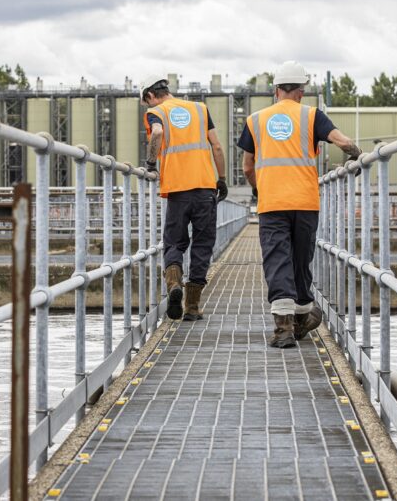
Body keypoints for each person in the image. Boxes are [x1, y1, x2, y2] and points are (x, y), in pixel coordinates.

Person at [238, 61, 362, 348]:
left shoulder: (255, 120)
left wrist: (260, 189)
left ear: (275, 90)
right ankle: (303, 313)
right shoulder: (311, 116)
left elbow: (247, 167)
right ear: (301, 92)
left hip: (272, 203)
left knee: (277, 259)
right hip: (305, 201)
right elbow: (342, 142)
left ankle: (284, 328)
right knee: (301, 258)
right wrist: (356, 157)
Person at [140, 75, 228, 321]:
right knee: (202, 245)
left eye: (146, 102)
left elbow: (156, 134)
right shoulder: (200, 109)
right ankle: (192, 306)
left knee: (175, 243)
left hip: (178, 190)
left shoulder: (157, 112)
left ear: (150, 95)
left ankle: (174, 284)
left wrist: (149, 163)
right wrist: (221, 179)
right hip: (205, 189)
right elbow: (217, 147)